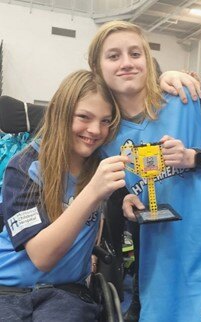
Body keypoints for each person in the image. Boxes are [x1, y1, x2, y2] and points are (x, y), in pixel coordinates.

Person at [87, 20, 201, 322]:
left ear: (147, 60)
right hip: (158, 267)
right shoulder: (104, 134)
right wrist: (123, 198)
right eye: (113, 56)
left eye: (135, 53)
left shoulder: (188, 98)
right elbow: (117, 194)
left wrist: (195, 157)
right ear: (97, 68)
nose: (126, 63)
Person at [0, 69, 128, 321]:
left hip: (67, 294)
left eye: (105, 121)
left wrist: (168, 80)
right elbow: (42, 257)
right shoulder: (25, 166)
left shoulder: (103, 163)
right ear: (61, 113)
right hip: (9, 289)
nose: (95, 130)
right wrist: (91, 192)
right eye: (84, 117)